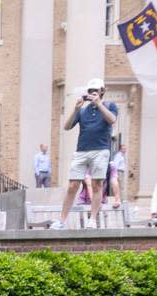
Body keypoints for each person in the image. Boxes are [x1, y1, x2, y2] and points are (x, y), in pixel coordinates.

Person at [52, 78, 118, 229]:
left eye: (95, 91)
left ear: (102, 91)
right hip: (82, 150)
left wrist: (99, 104)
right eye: (90, 91)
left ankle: (92, 220)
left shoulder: (110, 106)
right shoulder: (83, 111)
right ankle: (61, 221)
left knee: (97, 184)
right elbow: (67, 126)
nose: (92, 93)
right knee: (72, 185)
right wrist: (75, 109)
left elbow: (112, 119)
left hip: (100, 150)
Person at [110, 144, 127, 209]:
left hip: (121, 172)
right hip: (119, 171)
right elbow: (115, 164)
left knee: (121, 186)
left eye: (125, 149)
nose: (125, 150)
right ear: (120, 149)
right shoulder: (118, 155)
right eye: (123, 149)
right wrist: (115, 174)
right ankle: (122, 200)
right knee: (121, 186)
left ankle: (121, 199)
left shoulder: (122, 156)